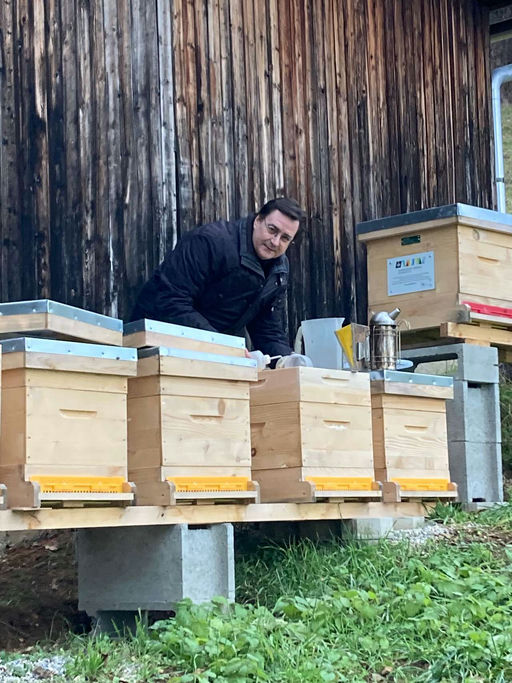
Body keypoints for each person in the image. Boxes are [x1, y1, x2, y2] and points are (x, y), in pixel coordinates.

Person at [130, 197, 305, 358]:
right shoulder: (209, 241)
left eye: (285, 238)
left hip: (212, 352)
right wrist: (222, 345)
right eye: (272, 230)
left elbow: (267, 330)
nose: (275, 242)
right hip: (152, 343)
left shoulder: (278, 271)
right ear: (257, 221)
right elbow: (170, 300)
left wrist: (289, 361)